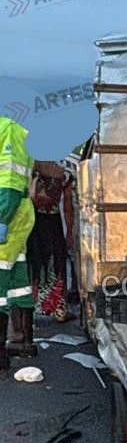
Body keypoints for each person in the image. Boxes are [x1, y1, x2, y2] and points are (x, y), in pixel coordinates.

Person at [0, 117, 35, 373]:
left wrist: (2, 219)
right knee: (15, 284)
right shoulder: (12, 128)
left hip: (8, 215)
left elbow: (10, 181)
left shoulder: (7, 129)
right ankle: (23, 342)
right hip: (15, 215)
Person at [26, 159, 75, 323]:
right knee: (58, 263)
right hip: (54, 223)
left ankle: (32, 307)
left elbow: (31, 196)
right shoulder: (65, 173)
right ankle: (59, 307)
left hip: (35, 222)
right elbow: (67, 205)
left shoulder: (33, 166)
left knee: (36, 264)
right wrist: (69, 232)